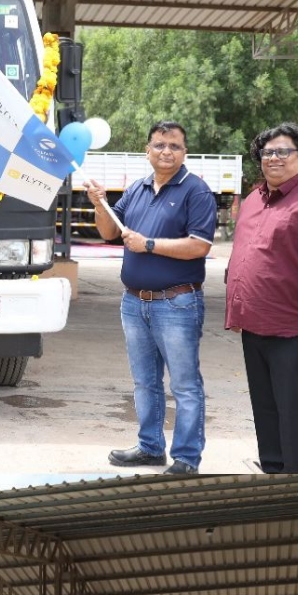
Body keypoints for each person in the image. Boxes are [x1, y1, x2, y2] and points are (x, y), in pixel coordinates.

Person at [87, 121, 219, 474]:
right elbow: (109, 232)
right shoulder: (138, 188)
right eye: (160, 145)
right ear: (147, 150)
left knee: (185, 385)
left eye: (174, 146)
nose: (166, 151)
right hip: (134, 303)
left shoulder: (196, 191)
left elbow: (199, 246)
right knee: (145, 381)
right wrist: (101, 205)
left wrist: (148, 244)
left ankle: (187, 458)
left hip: (177, 303)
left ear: (184, 152)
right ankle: (150, 447)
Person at [223, 122, 298, 474]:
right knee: (265, 407)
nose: (273, 158)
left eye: (283, 151)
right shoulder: (255, 199)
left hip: (296, 327)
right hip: (255, 324)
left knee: (294, 410)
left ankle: (296, 481)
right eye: (267, 152)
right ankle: (273, 473)